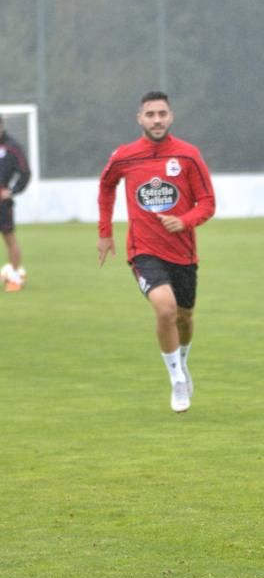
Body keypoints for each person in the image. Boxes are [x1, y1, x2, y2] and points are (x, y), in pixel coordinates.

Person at [97, 91, 216, 413]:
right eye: (150, 114)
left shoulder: (189, 156)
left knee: (185, 317)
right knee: (165, 310)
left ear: (171, 116)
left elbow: (208, 203)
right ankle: (176, 379)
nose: (157, 119)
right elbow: (106, 185)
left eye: (162, 113)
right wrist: (105, 232)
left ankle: (182, 361)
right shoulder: (125, 156)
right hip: (143, 250)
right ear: (140, 119)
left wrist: (185, 220)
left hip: (183, 252)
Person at [0, 114, 32, 293]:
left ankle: (14, 278)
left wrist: (12, 191)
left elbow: (25, 173)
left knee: (9, 239)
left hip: (2, 204)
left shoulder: (12, 147)